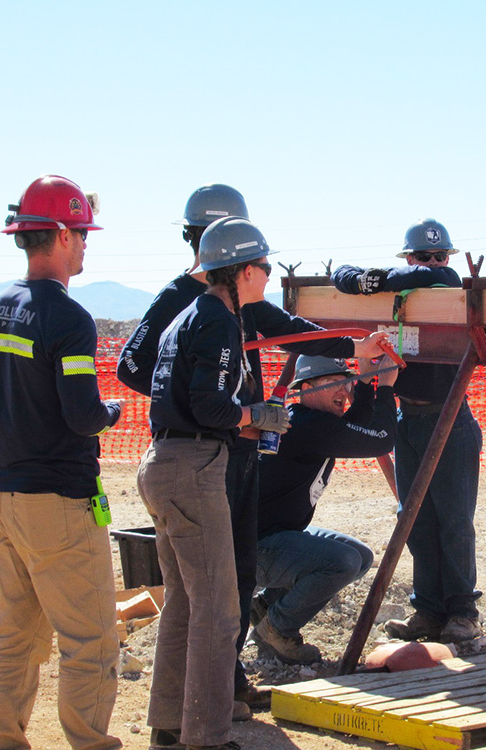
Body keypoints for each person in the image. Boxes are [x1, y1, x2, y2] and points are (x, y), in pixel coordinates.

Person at [118, 184, 387, 711]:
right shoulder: (189, 301)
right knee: (215, 591)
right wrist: (200, 406)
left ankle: (220, 685)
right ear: (236, 260)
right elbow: (132, 365)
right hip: (206, 449)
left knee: (234, 570)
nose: (264, 272)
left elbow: (287, 330)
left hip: (234, 450)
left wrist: (351, 347)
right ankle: (212, 701)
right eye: (260, 263)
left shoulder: (237, 304)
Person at [0, 175, 123, 750]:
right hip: (60, 502)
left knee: (17, 636)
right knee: (92, 642)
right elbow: (83, 415)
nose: (85, 244)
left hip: (5, 496)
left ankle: (1, 740)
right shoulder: (69, 318)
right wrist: (111, 410)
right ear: (59, 234)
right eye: (81, 233)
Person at [136, 216, 292, 750]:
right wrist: (259, 414)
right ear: (244, 270)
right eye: (266, 267)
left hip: (164, 462)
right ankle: (206, 735)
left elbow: (191, 401)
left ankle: (170, 722)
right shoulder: (221, 321)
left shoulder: (188, 315)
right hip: (195, 468)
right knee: (221, 608)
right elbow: (209, 404)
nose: (268, 276)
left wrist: (249, 416)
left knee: (184, 601)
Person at [331, 218, 484, 644]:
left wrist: (371, 279)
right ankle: (430, 611)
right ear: (410, 256)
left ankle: (462, 611)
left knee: (454, 521)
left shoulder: (447, 283)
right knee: (415, 518)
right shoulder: (398, 295)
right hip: (409, 419)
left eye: (440, 256)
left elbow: (434, 277)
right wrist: (363, 280)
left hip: (451, 418)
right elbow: (339, 278)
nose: (434, 265)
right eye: (424, 256)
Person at [251, 354, 398, 662]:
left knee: (359, 557)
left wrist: (367, 382)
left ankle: (265, 608)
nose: (345, 393)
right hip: (256, 548)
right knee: (341, 562)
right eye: (336, 384)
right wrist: (385, 387)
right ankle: (278, 629)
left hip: (270, 536)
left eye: (346, 385)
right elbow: (380, 439)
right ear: (306, 387)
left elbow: (354, 427)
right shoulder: (308, 426)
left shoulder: (306, 419)